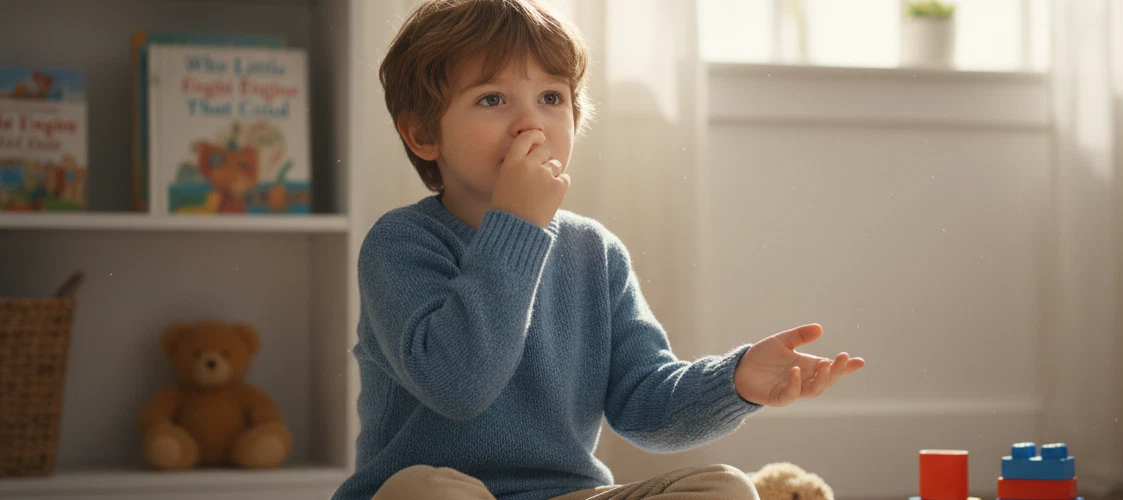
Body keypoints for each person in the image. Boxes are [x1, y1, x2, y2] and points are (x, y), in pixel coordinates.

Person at [330, 1, 866, 499]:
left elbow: (646, 407)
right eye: (492, 99)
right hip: (434, 491)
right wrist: (516, 225)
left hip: (570, 493)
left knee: (726, 489)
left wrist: (737, 381)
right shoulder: (400, 244)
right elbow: (459, 386)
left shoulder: (595, 251)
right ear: (423, 133)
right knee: (426, 493)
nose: (530, 123)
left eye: (551, 98)